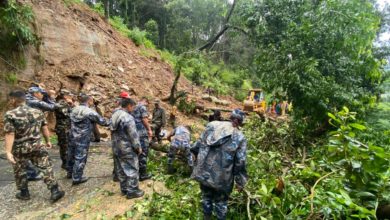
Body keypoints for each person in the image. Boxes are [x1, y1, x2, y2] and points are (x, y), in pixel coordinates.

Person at [3, 90, 65, 202]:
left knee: (20, 169)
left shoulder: (10, 114)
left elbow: (10, 133)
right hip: (37, 145)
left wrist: (8, 151)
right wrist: (48, 141)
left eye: (10, 99)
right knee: (45, 167)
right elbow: (44, 128)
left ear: (13, 99)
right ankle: (55, 190)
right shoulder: (37, 112)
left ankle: (24, 192)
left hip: (20, 148)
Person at [191, 109, 248, 220]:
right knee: (221, 203)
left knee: (206, 197)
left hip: (203, 172)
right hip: (222, 179)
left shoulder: (212, 125)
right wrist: (240, 182)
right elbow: (240, 162)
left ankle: (206, 217)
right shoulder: (239, 137)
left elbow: (198, 144)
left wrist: (194, 155)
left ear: (231, 117)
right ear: (240, 122)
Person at [67, 94, 110, 185]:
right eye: (92, 101)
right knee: (80, 157)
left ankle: (69, 173)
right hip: (82, 138)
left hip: (72, 136)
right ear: (89, 100)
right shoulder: (90, 112)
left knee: (71, 154)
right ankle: (77, 178)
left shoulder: (73, 109)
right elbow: (103, 122)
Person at [111, 98, 144, 199]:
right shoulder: (128, 117)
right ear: (129, 105)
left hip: (116, 146)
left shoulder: (114, 114)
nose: (133, 109)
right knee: (132, 167)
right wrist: (138, 147)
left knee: (120, 168)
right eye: (133, 107)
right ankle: (132, 190)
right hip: (126, 147)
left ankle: (124, 188)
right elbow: (133, 134)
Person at [25, 86, 59, 181]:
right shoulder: (35, 102)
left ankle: (30, 172)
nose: (42, 95)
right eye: (41, 93)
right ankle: (37, 174)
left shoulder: (24, 99)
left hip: (22, 129)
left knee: (23, 150)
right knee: (39, 152)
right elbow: (52, 107)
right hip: (31, 130)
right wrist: (50, 98)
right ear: (35, 94)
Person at [132, 97, 153, 181]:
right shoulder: (142, 107)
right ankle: (143, 174)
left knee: (136, 151)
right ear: (145, 101)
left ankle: (135, 172)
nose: (147, 105)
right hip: (141, 132)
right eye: (147, 103)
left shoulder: (133, 107)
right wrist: (149, 130)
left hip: (133, 132)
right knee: (143, 152)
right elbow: (144, 119)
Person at [55, 89, 74, 169]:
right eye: (69, 95)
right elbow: (68, 114)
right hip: (63, 128)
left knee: (66, 145)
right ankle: (65, 163)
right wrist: (72, 106)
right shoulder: (62, 104)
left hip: (65, 127)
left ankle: (66, 162)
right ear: (65, 96)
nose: (71, 96)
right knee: (64, 146)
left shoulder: (64, 103)